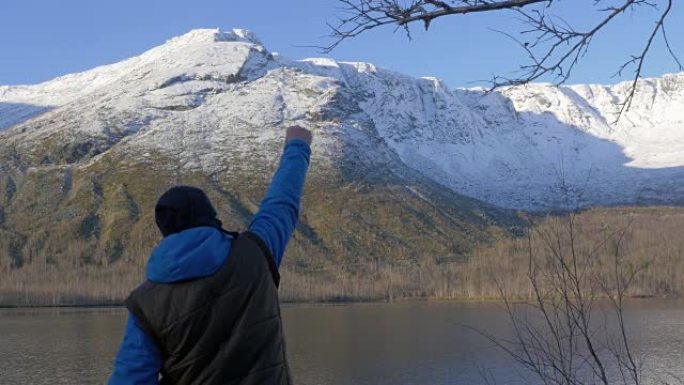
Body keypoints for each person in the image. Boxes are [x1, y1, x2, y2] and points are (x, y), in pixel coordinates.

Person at [108, 125, 313, 385]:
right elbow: (282, 202)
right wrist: (298, 145)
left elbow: (130, 378)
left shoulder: (146, 303)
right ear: (210, 218)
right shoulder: (256, 253)